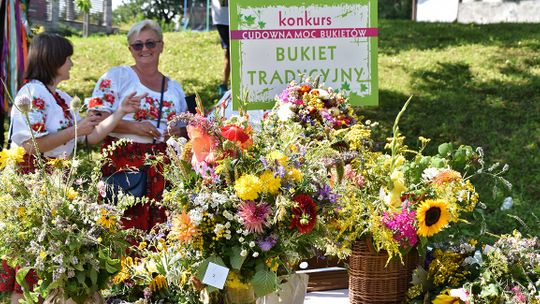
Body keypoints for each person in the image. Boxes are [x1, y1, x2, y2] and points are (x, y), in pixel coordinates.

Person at [2, 32, 140, 304]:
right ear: (53, 61)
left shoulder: (60, 97)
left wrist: (119, 113)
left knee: (50, 253)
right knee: (32, 253)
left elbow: (90, 137)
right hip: (35, 177)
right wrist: (74, 130)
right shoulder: (31, 93)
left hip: (57, 179)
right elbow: (30, 143)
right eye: (67, 58)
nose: (72, 64)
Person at [87, 20, 188, 232]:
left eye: (150, 43)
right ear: (130, 49)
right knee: (123, 226)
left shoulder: (174, 88)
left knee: (161, 230)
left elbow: (184, 129)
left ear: (161, 45)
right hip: (124, 160)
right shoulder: (117, 76)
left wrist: (178, 132)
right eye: (137, 45)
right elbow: (96, 118)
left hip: (163, 163)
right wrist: (135, 127)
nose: (144, 49)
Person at [211, 0, 230, 96]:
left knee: (232, 51)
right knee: (230, 51)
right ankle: (224, 84)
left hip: (238, 13)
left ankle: (226, 84)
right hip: (222, 19)